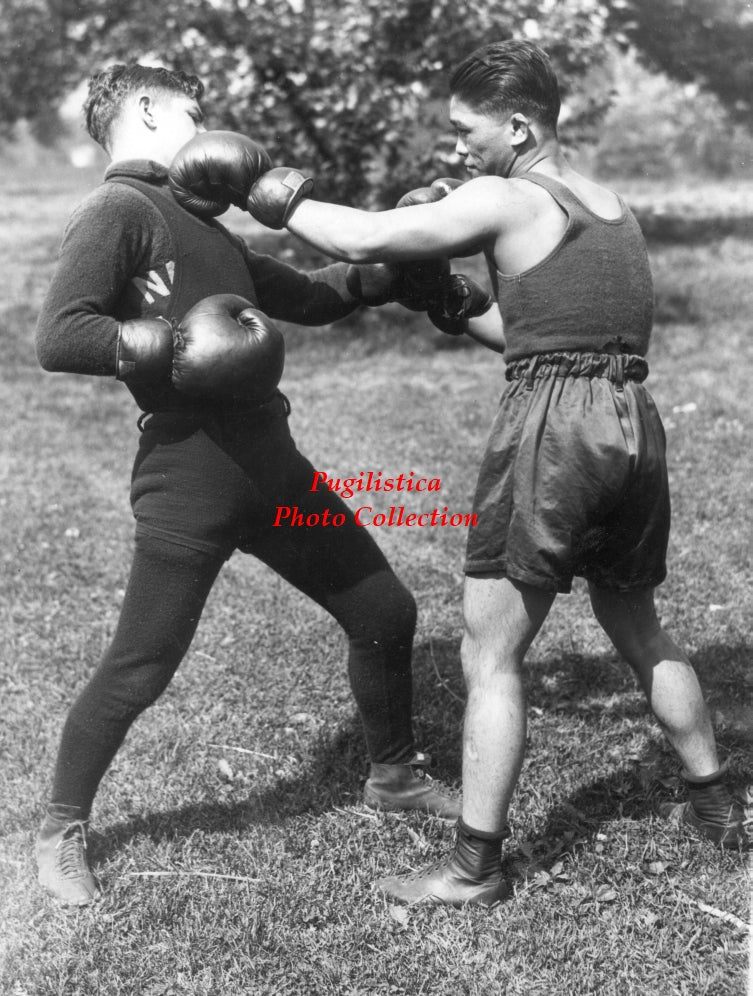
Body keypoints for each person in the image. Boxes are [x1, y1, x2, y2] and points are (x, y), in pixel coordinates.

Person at [170, 39, 748, 907]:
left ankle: (472, 868)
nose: (458, 150)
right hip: (633, 421)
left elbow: (361, 234)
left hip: (555, 432)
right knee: (638, 624)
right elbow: (544, 335)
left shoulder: (503, 194)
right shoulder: (605, 203)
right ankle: (715, 809)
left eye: (466, 131)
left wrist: (263, 186)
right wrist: (451, 302)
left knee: (490, 653)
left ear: (517, 125)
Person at [33, 63, 475, 908]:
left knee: (384, 610)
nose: (209, 127)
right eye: (195, 112)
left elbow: (309, 298)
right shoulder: (118, 210)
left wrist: (390, 262)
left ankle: (392, 774)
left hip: (274, 468)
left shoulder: (208, 223)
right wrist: (167, 343)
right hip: (189, 476)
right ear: (152, 110)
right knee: (141, 664)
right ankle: (60, 826)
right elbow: (61, 335)